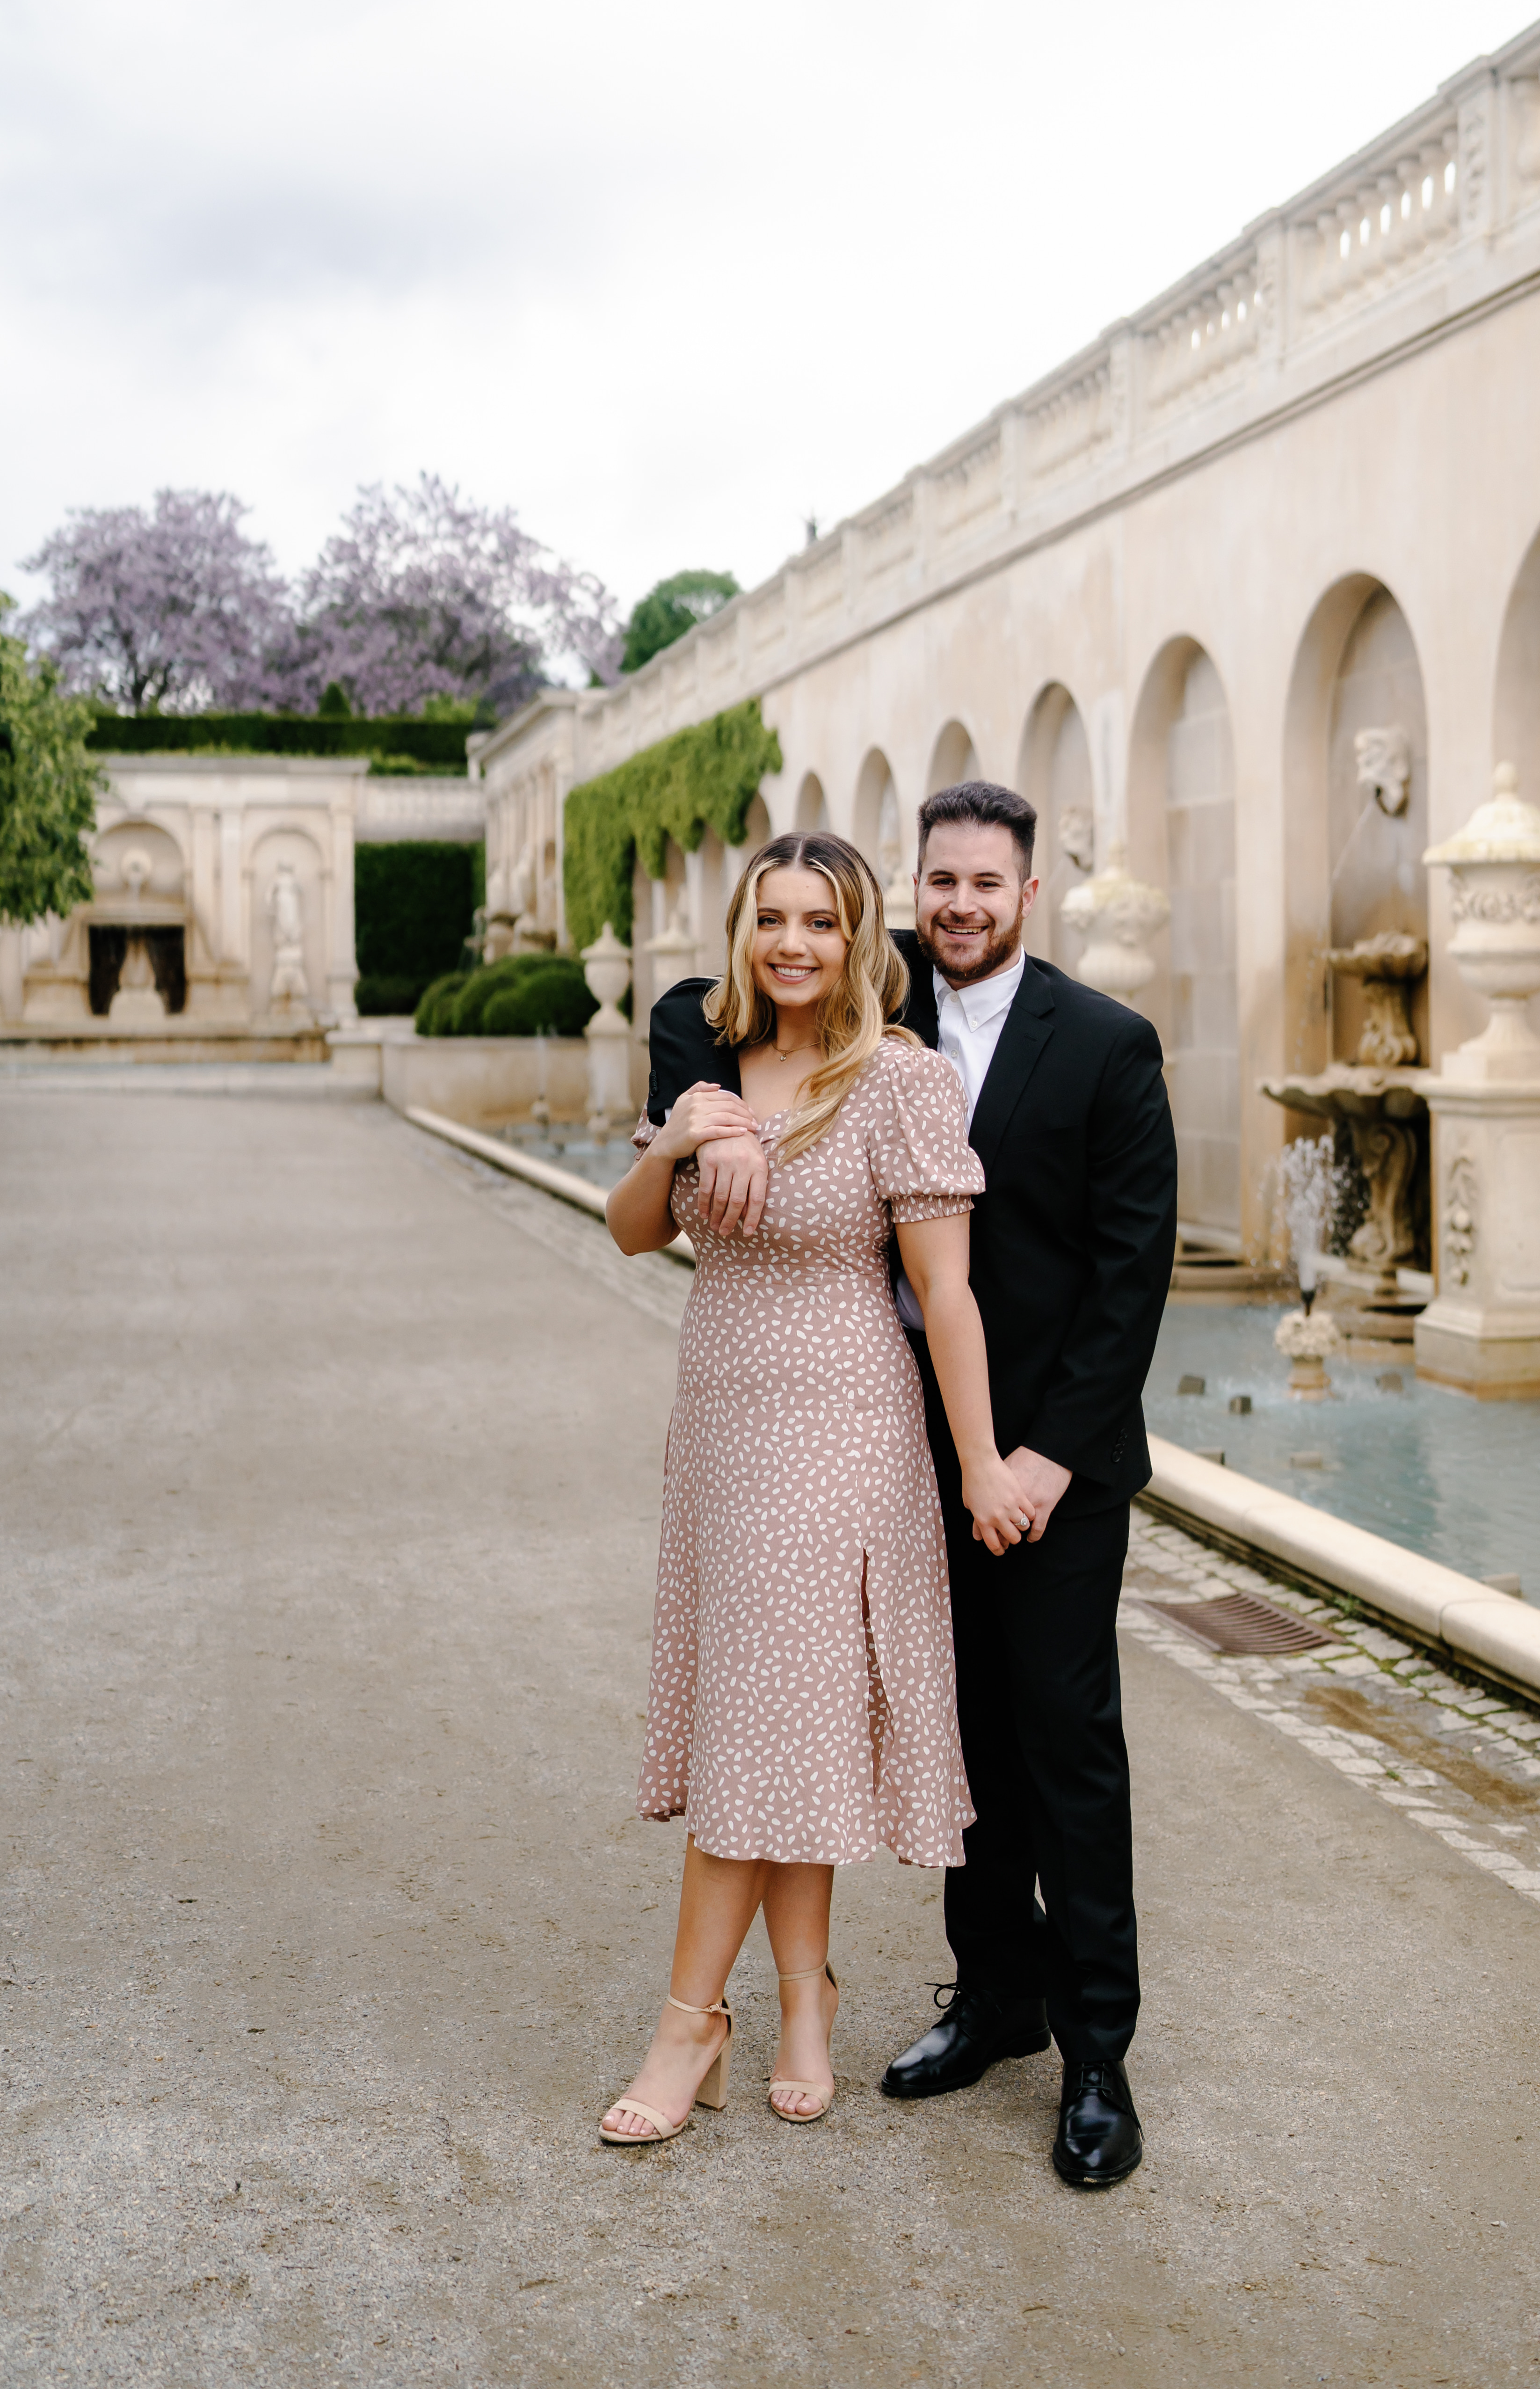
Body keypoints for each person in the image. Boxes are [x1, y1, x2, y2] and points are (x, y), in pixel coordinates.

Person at [647, 780, 1178, 2189]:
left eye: (983, 887)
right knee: (968, 1743)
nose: (958, 906)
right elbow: (694, 1031)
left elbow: (1129, 1290)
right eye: (937, 881)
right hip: (878, 1443)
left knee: (1064, 1741)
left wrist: (1029, 1462)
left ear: (1026, 895)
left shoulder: (1111, 1047)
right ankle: (992, 1997)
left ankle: (1098, 2058)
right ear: (911, 896)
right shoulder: (857, 1016)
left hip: (1040, 1458)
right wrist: (714, 1127)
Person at [596, 831, 1033, 2148]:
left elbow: (945, 1293)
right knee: (784, 1723)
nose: (794, 944)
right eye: (772, 919)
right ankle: (805, 1997)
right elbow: (627, 1230)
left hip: (843, 1422)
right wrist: (677, 1137)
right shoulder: (713, 1071)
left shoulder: (900, 1082)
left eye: (823, 923)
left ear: (862, 943)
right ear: (744, 932)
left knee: (761, 1722)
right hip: (723, 1421)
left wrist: (981, 1462)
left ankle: (688, 2026)